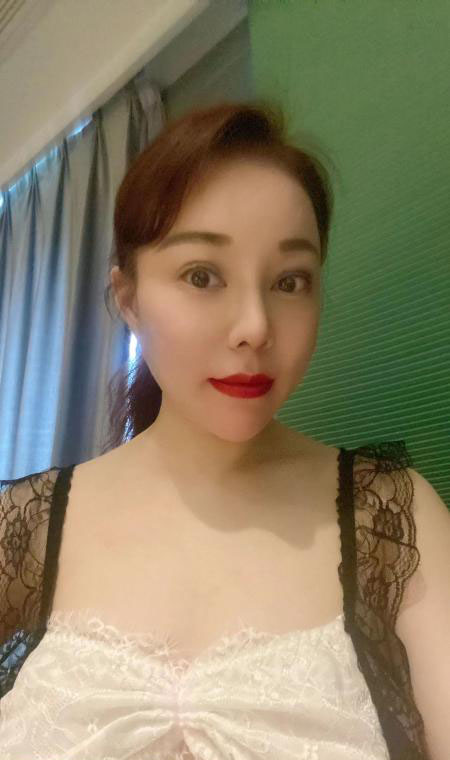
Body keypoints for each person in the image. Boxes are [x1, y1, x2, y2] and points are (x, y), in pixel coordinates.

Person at [0, 101, 448, 759]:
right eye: (202, 276)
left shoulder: (395, 518)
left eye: (290, 281)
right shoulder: (26, 527)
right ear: (128, 298)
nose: (255, 327)